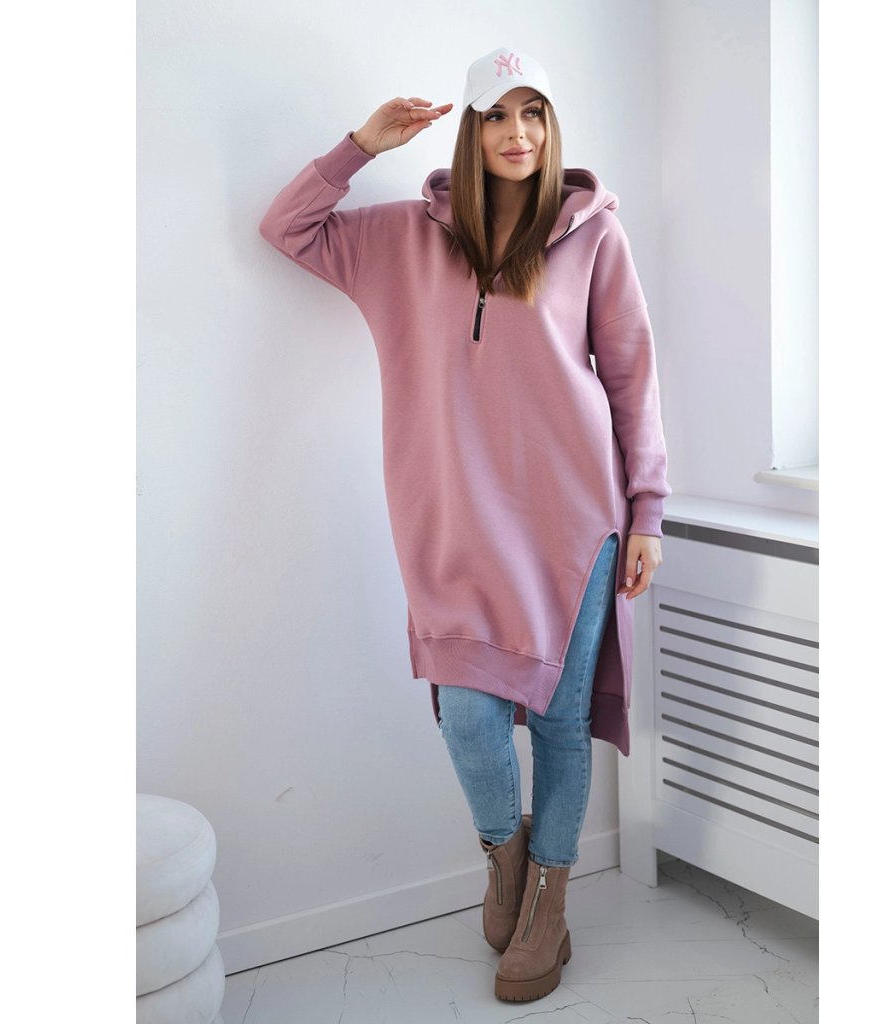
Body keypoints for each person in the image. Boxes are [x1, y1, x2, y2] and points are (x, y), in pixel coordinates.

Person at [258, 46, 671, 1003]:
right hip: (448, 523)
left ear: (550, 125)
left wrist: (647, 509)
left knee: (561, 723)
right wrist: (362, 145)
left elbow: (632, 378)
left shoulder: (593, 236)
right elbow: (287, 227)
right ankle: (506, 859)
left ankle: (549, 902)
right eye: (496, 115)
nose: (517, 132)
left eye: (534, 112)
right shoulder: (402, 240)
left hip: (573, 523)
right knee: (471, 721)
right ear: (471, 131)